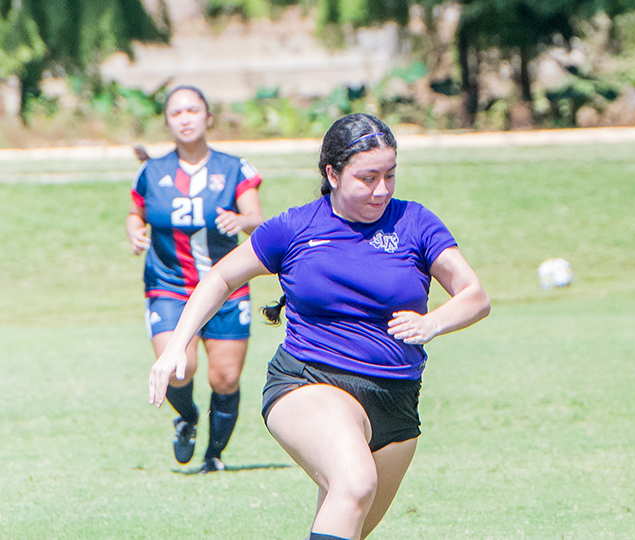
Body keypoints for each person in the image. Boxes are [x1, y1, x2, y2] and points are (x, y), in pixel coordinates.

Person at [147, 113, 491, 540]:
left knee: (350, 520)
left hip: (396, 402)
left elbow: (475, 295)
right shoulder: (295, 228)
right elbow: (220, 277)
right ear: (332, 173)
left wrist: (434, 322)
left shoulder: (414, 223)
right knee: (354, 483)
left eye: (390, 175)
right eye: (367, 178)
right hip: (309, 381)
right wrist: (178, 344)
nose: (381, 189)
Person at [126, 85, 265, 472]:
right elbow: (136, 212)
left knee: (225, 377)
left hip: (225, 287)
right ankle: (186, 417)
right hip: (169, 285)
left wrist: (242, 220)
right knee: (177, 367)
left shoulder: (234, 167)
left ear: (208, 117)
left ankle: (213, 457)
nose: (185, 118)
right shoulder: (152, 171)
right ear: (168, 122)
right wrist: (134, 230)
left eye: (192, 110)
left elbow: (257, 219)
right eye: (176, 113)